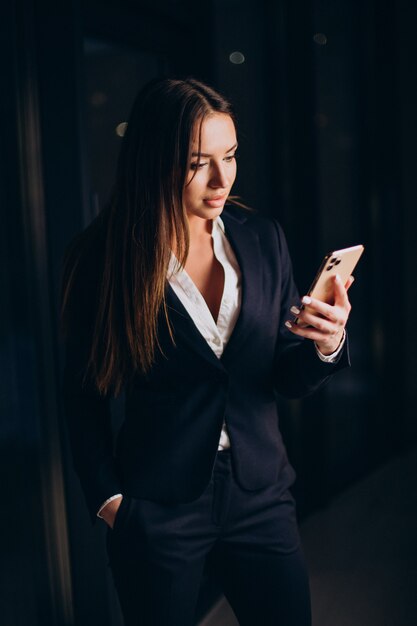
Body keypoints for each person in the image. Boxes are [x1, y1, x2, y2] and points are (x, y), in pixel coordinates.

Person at [61, 77, 353, 626]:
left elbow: (282, 378)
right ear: (155, 161)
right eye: (199, 163)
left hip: (261, 494)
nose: (222, 179)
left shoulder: (263, 239)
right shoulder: (103, 260)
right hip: (158, 505)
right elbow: (82, 397)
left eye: (231, 156)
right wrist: (111, 502)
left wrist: (326, 342)